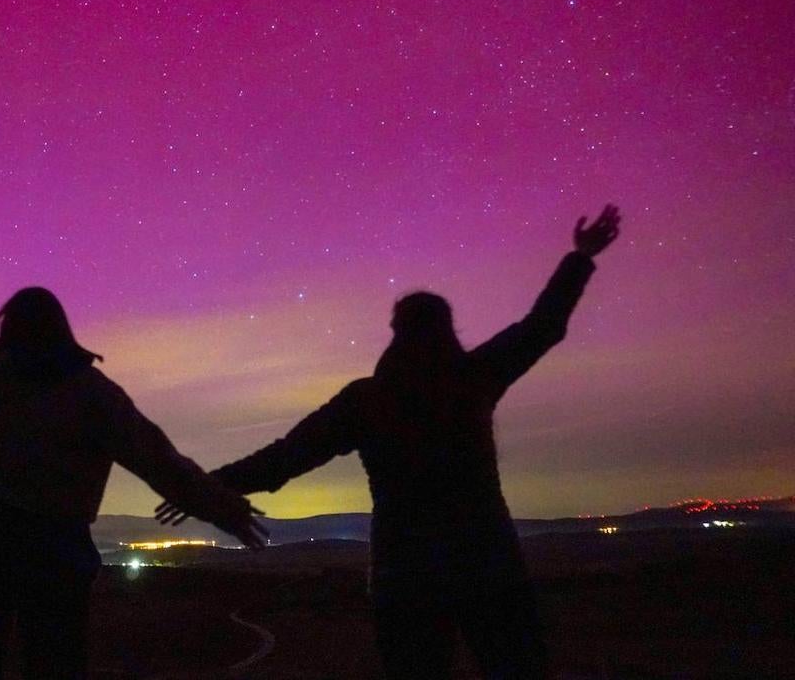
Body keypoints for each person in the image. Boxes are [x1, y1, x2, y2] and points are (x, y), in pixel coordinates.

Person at [157, 205, 621, 679]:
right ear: (448, 330)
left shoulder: (369, 401)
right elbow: (542, 326)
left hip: (406, 569)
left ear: (395, 332)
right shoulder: (472, 378)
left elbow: (283, 459)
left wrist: (202, 488)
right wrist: (580, 258)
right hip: (486, 557)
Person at [0, 218, 266, 680]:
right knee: (55, 663)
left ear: (8, 327)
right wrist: (227, 510)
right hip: (58, 553)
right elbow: (159, 461)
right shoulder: (92, 394)